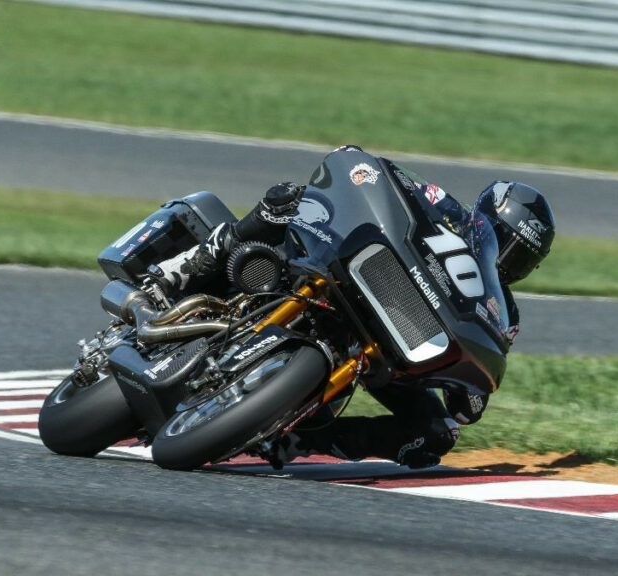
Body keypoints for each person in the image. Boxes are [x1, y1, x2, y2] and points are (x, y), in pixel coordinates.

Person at [151, 148, 556, 469]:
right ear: (483, 221)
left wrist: (470, 391)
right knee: (285, 200)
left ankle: (296, 441)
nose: (505, 259)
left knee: (437, 434)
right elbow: (380, 178)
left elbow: (469, 406)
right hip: (349, 270)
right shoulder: (447, 208)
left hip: (393, 345)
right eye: (502, 241)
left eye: (520, 257)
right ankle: (191, 267)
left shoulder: (505, 315)